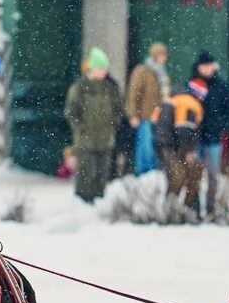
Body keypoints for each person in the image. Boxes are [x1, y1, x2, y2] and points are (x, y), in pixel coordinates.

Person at [64, 48, 124, 202]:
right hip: (86, 140)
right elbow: (71, 111)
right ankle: (83, 202)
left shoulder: (110, 87)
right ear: (92, 68)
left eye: (105, 68)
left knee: (102, 174)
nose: (103, 71)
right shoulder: (80, 87)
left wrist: (113, 125)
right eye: (100, 68)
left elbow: (118, 109)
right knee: (86, 174)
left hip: (105, 138)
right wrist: (80, 128)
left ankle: (99, 202)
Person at [154, 78, 207, 212]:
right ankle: (182, 208)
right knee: (183, 175)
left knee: (177, 175)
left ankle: (171, 206)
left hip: (165, 143)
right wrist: (188, 151)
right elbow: (184, 129)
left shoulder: (173, 98)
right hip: (173, 145)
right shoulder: (190, 104)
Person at [193, 51, 229, 214]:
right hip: (196, 138)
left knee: (213, 176)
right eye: (205, 66)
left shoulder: (221, 86)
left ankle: (210, 208)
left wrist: (221, 125)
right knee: (194, 176)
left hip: (214, 137)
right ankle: (195, 207)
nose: (207, 69)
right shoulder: (192, 85)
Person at [126, 42, 169, 175]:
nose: (164, 58)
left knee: (153, 145)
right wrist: (133, 114)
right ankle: (143, 172)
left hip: (158, 117)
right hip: (145, 116)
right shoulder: (142, 71)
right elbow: (133, 93)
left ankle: (152, 172)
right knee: (145, 146)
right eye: (162, 55)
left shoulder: (162, 73)